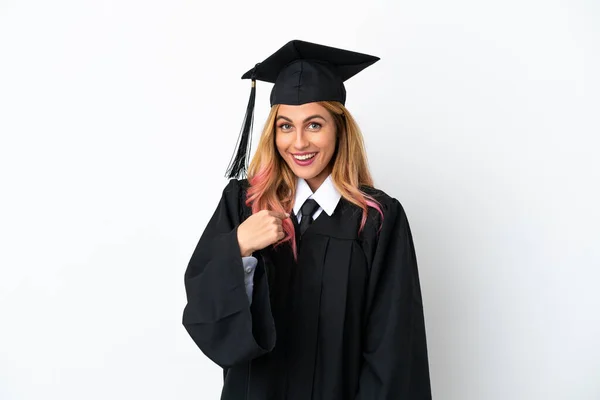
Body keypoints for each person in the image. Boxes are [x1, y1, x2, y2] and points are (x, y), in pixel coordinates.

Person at [182, 40, 432, 400]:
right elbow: (207, 317)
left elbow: (393, 349)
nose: (298, 142)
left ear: (339, 129)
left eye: (314, 124)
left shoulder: (375, 220)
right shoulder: (244, 203)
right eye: (285, 126)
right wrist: (237, 247)